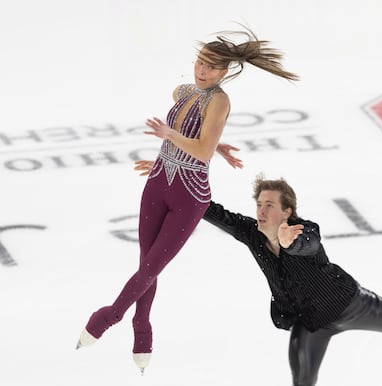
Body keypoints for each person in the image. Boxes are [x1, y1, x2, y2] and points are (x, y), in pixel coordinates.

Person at [135, 160, 382, 386]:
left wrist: (288, 241)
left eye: (270, 205)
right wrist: (167, 178)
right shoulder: (252, 232)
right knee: (302, 381)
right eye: (259, 204)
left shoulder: (305, 231)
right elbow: (207, 208)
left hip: (351, 305)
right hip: (309, 323)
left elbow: (306, 246)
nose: (262, 210)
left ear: (288, 210)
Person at [76, 27, 298, 374]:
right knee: (145, 262)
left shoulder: (220, 99)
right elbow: (201, 139)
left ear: (224, 72)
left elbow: (201, 149)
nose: (202, 70)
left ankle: (109, 316)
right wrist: (174, 149)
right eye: (200, 62)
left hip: (189, 196)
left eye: (210, 67)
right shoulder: (183, 91)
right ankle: (142, 329)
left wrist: (175, 136)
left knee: (152, 268)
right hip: (158, 181)